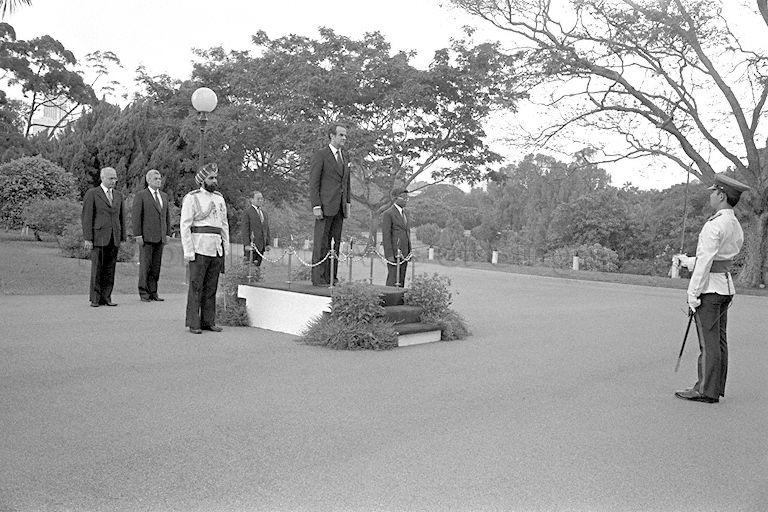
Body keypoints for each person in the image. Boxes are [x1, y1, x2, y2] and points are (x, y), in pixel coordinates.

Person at [673, 174, 750, 404]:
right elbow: (717, 259)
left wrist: (692, 293)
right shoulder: (734, 223)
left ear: (721, 195)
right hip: (725, 286)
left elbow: (706, 264)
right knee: (719, 341)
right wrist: (688, 261)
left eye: (713, 192)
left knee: (708, 342)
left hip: (711, 289)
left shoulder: (714, 225)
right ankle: (715, 387)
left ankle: (705, 390)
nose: (710, 195)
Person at [180, 163, 229, 334]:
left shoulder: (219, 198)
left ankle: (208, 321)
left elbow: (224, 225)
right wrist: (188, 251)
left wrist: (226, 247)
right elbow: (185, 225)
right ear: (202, 180)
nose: (214, 181)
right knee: (196, 286)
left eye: (215, 177)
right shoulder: (192, 198)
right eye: (211, 178)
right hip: (199, 246)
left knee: (211, 286)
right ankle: (194, 322)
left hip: (216, 246)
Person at [309, 124, 351, 286]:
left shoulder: (344, 157)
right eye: (341, 135)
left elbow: (346, 183)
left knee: (335, 243)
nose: (344, 138)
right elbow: (314, 183)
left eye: (345, 135)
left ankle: (331, 276)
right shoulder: (321, 155)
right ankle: (318, 278)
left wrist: (347, 203)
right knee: (321, 242)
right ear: (332, 136)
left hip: (339, 207)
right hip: (325, 206)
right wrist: (316, 205)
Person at [82, 167, 125, 307]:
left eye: (115, 178)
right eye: (111, 178)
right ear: (103, 178)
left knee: (110, 269)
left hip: (114, 236)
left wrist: (122, 235)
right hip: (99, 236)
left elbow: (121, 217)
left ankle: (106, 297)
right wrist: (88, 238)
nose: (114, 181)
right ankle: (95, 298)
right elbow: (87, 217)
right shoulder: (93, 193)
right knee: (97, 268)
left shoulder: (118, 195)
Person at [132, 169, 171, 302]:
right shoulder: (141, 195)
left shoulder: (164, 196)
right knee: (145, 266)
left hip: (160, 237)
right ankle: (144, 292)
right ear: (148, 180)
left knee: (156, 267)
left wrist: (168, 233)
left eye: (160, 178)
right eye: (156, 179)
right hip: (146, 237)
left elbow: (167, 217)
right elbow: (136, 217)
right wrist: (138, 235)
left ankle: (153, 292)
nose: (159, 181)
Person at [381, 188, 412, 287]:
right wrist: (389, 255)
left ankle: (399, 300)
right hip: (394, 253)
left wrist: (409, 251)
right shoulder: (388, 214)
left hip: (405, 253)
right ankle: (389, 300)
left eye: (407, 198)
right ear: (395, 198)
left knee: (401, 279)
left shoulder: (405, 213)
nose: (406, 200)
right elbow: (386, 235)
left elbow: (407, 233)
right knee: (393, 278)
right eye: (403, 198)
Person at [240, 190, 271, 266]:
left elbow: (266, 229)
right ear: (251, 200)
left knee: (257, 268)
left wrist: (267, 243)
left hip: (261, 247)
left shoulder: (264, 213)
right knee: (249, 269)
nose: (260, 200)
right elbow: (245, 230)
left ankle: (257, 278)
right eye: (258, 198)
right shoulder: (247, 212)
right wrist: (247, 244)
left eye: (262, 198)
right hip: (251, 247)